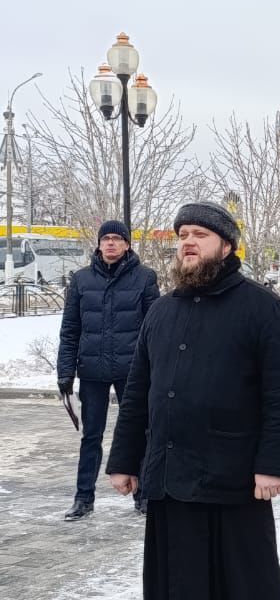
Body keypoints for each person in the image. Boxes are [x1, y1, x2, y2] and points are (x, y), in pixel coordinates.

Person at [106, 202, 280, 600]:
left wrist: (272, 466)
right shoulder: (162, 311)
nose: (187, 242)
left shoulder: (263, 309)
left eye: (199, 234)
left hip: (236, 475)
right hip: (171, 473)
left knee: (247, 585)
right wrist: (124, 460)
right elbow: (138, 392)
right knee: (181, 586)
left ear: (226, 245)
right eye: (182, 235)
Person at [56, 220, 159, 521]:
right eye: (106, 238)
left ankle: (143, 495)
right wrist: (65, 372)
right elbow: (70, 330)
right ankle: (83, 498)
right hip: (92, 370)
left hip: (133, 371)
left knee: (139, 432)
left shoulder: (145, 278)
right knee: (91, 436)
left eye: (117, 238)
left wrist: (157, 368)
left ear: (127, 244)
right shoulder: (81, 280)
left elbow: (155, 328)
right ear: (99, 244)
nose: (111, 243)